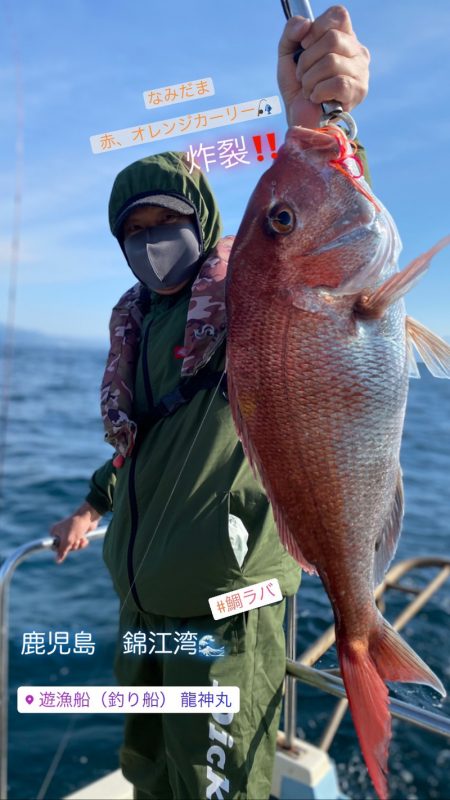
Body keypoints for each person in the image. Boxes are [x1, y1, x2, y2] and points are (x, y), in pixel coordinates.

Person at [51, 8, 370, 799]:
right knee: (152, 773)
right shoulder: (139, 323)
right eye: (136, 229)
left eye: (170, 222)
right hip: (146, 608)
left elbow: (316, 242)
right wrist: (93, 507)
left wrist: (317, 120)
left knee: (215, 787)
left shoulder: (244, 296)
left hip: (228, 610)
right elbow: (147, 445)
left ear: (206, 223)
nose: (153, 240)